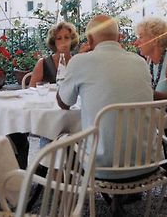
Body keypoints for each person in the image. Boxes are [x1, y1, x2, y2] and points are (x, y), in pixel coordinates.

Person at [57, 15, 155, 181]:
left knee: (62, 138)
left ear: (89, 39)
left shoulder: (80, 61)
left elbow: (64, 103)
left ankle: (68, 198)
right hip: (147, 163)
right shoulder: (141, 62)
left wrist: (73, 69)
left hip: (101, 167)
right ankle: (125, 196)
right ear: (119, 38)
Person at [29, 21, 79, 86]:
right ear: (53, 42)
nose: (63, 41)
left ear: (72, 40)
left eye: (66, 37)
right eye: (59, 38)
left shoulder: (77, 62)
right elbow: (31, 89)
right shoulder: (43, 63)